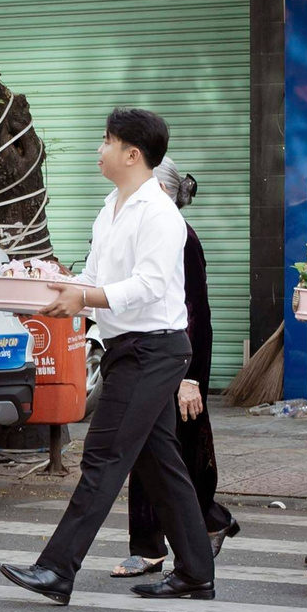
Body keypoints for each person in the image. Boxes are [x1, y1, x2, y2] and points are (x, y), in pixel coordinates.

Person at [0, 109, 217, 605]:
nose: (99, 149)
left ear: (132, 154)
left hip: (153, 349)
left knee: (102, 457)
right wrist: (45, 289)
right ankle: (196, 573)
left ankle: (56, 568)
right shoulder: (110, 208)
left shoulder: (161, 215)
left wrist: (85, 300)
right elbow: (92, 280)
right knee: (160, 461)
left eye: (107, 141)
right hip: (128, 346)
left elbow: (150, 286)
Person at [113, 159, 238, 577]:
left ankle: (177, 535)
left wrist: (191, 379)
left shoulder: (182, 238)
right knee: (152, 453)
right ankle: (176, 534)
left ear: (163, 192)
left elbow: (196, 314)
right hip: (146, 355)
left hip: (174, 362)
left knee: (172, 456)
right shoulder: (146, 233)